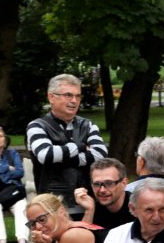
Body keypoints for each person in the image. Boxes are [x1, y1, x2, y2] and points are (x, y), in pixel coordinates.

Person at [26, 73, 107, 216]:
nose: (74, 101)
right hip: (53, 204)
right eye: (68, 95)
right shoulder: (37, 126)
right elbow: (46, 155)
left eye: (78, 96)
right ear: (51, 97)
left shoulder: (88, 125)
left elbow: (100, 155)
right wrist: (81, 146)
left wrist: (62, 158)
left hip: (87, 200)